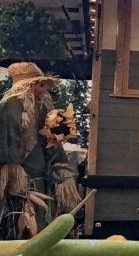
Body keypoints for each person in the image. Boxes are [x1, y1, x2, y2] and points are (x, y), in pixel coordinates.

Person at [0, 63, 80, 239]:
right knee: (18, 214)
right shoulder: (9, 105)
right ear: (28, 85)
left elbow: (53, 140)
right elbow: (5, 138)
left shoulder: (44, 106)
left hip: (42, 169)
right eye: (41, 84)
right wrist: (10, 167)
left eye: (45, 84)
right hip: (19, 171)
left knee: (43, 213)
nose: (45, 88)